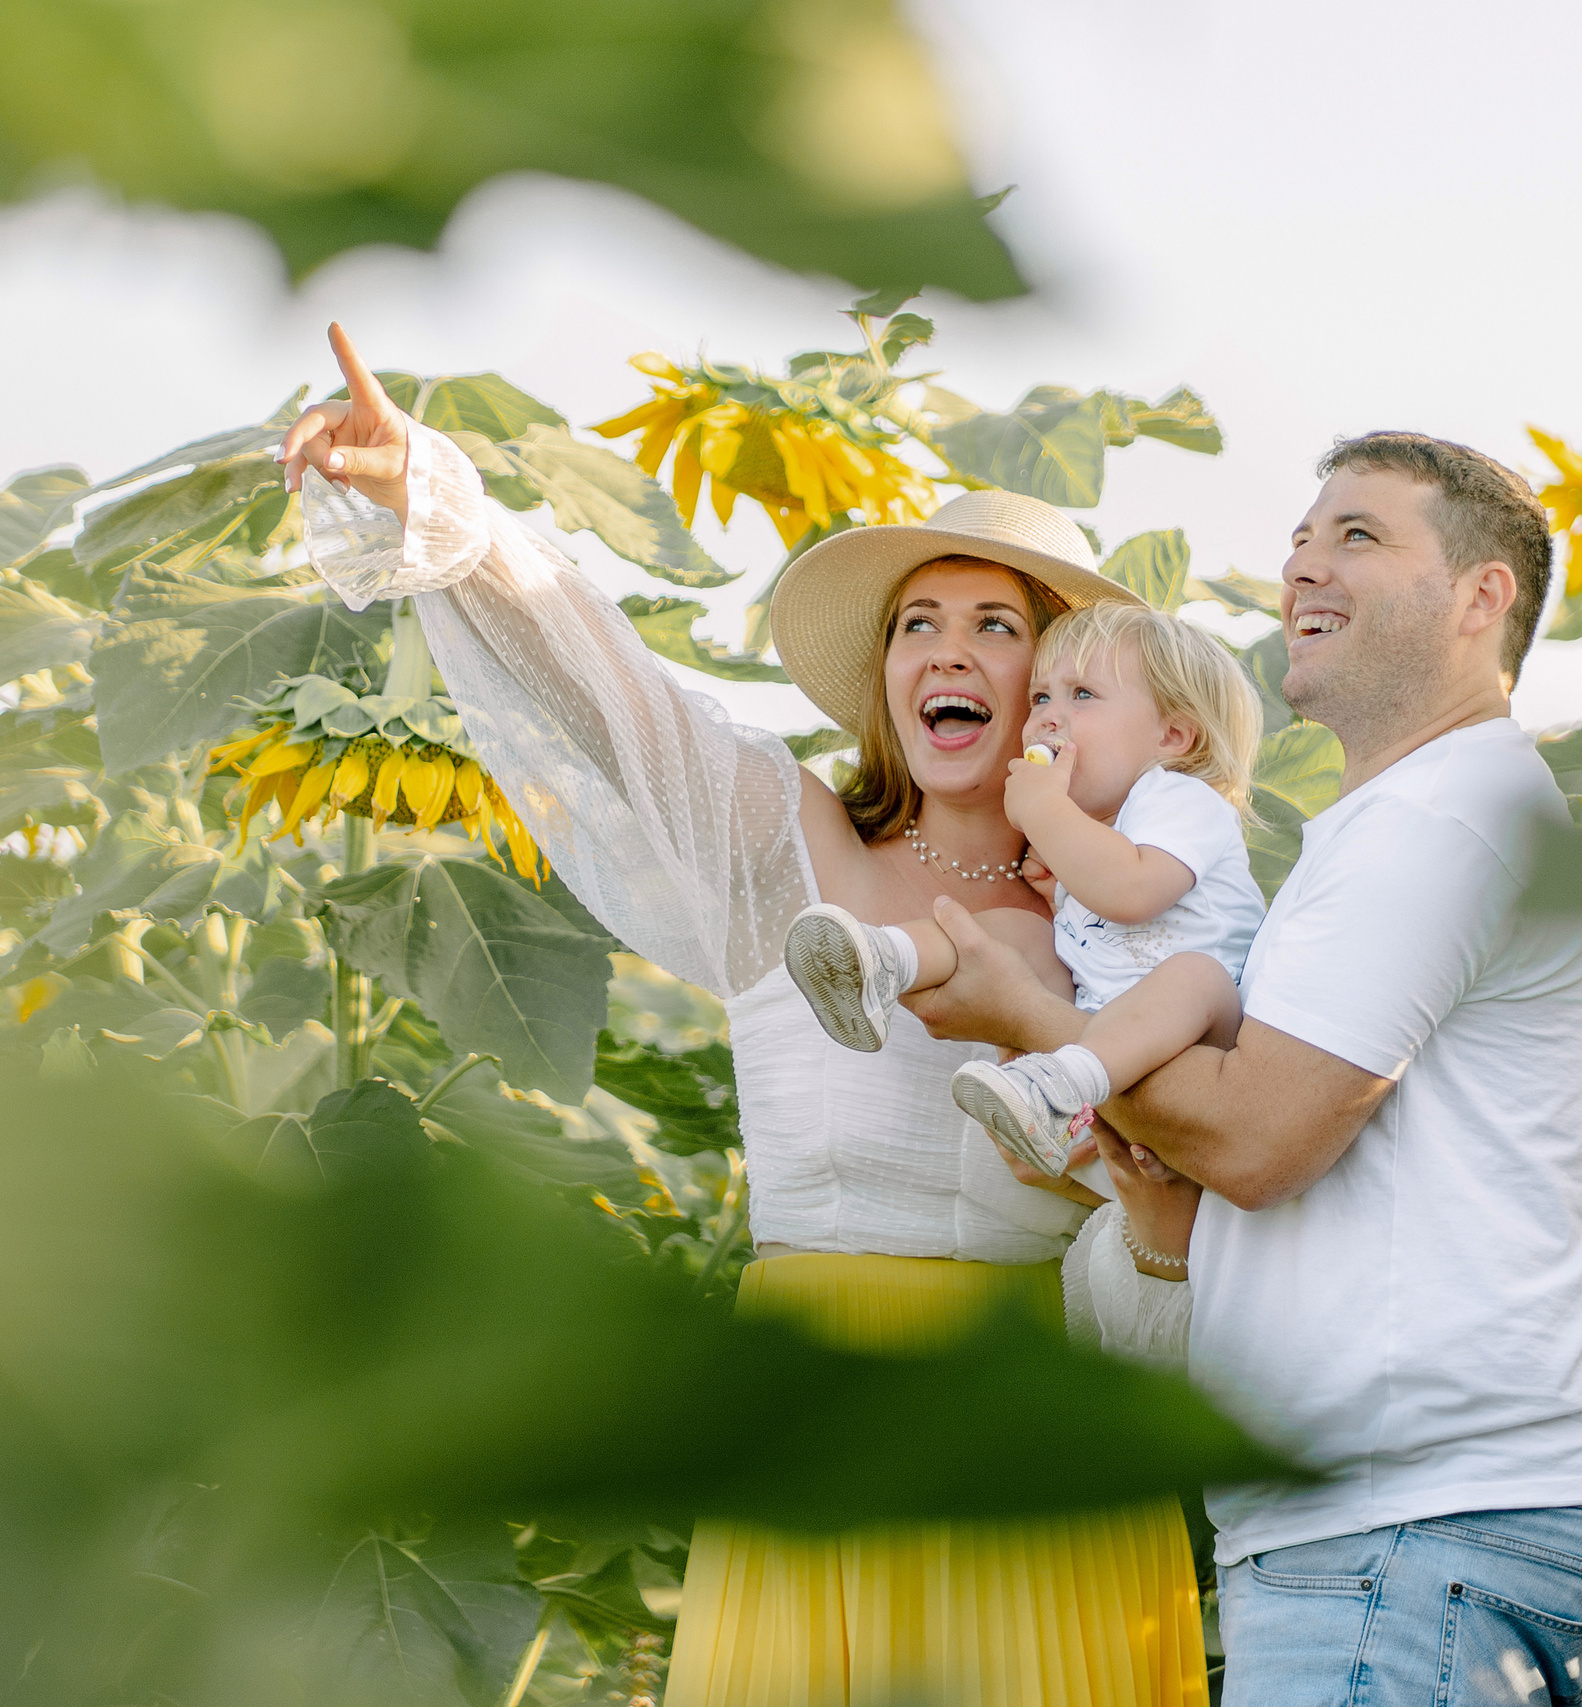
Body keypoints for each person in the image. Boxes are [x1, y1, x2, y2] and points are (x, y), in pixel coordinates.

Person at [280, 325, 1207, 1705]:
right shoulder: (785, 841)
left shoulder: (1129, 920)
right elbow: (614, 693)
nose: (947, 650)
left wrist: (1151, 1231)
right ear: (893, 675)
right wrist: (442, 505)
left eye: (995, 625)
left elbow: (1166, 1251)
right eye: (918, 624)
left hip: (1028, 1460)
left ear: (1059, 684)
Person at [905, 433, 1582, 1706]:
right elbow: (1264, 1158)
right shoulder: (1400, 820)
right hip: (1409, 1531)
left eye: (1358, 536)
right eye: (1302, 538)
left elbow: (1259, 1140)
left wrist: (1031, 1016)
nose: (1303, 565)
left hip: (1415, 1528)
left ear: (1482, 598)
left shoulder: (1438, 817)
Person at [778, 600, 1264, 1347]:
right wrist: (1054, 891)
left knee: (1197, 974)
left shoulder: (1183, 801)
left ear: (1172, 736)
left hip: (1196, 1049)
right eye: (1041, 696)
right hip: (1111, 1050)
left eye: (1083, 697)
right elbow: (1085, 923)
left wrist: (1043, 813)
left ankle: (1055, 1086)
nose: (1047, 718)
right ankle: (882, 962)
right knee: (1011, 936)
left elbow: (1130, 892)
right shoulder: (1097, 834)